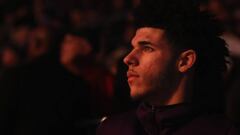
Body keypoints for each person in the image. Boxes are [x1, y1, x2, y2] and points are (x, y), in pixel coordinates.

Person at [96, 0, 239, 135]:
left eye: (147, 48)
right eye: (132, 47)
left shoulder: (221, 132)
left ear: (185, 61)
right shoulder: (113, 129)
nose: (128, 58)